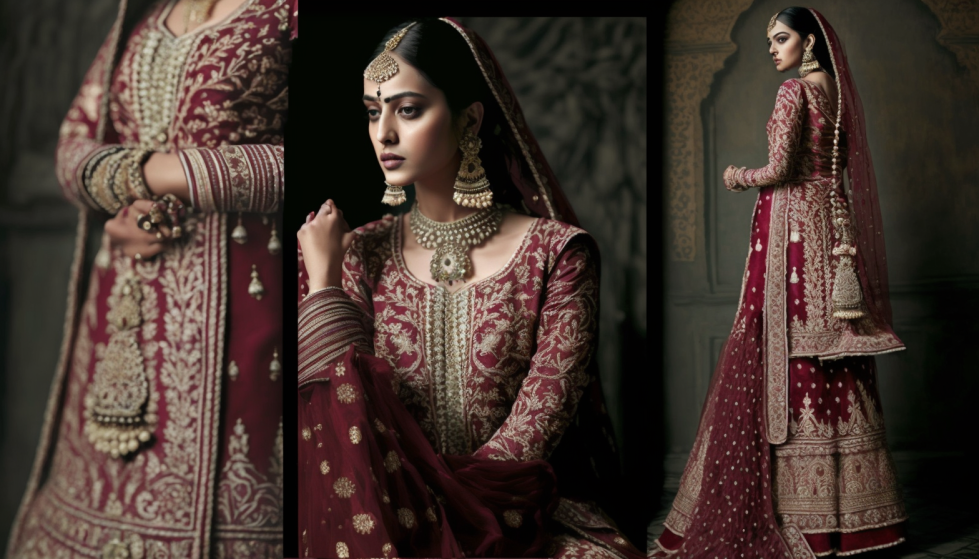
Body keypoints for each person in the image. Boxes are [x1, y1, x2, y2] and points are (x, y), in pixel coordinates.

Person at [296, 17, 643, 559]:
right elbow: (348, 427)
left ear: (469, 119)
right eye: (372, 111)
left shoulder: (557, 255)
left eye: (407, 110)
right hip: (387, 515)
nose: (383, 132)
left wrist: (453, 524)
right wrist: (321, 285)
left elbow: (534, 431)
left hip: (519, 515)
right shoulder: (356, 254)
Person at [5, 0, 294, 557]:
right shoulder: (145, 17)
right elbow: (74, 142)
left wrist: (163, 172)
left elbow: (360, 146)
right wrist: (120, 193)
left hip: (252, 313)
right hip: (123, 313)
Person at [649, 7, 907, 558]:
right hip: (832, 232)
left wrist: (736, 177)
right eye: (769, 40)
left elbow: (779, 170)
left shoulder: (794, 92)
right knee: (836, 349)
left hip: (791, 232)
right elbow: (829, 168)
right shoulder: (834, 93)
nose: (773, 48)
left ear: (809, 41)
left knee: (787, 347)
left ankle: (798, 515)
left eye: (782, 37)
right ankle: (861, 520)